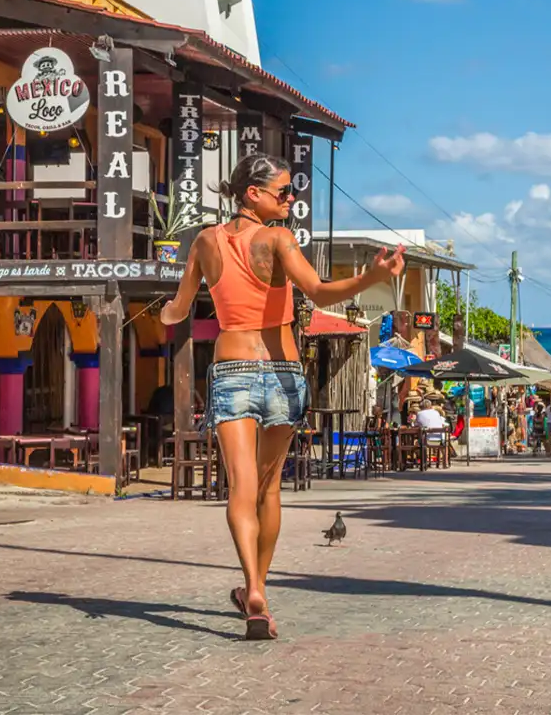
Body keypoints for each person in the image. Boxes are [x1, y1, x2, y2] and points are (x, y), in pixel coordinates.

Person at [161, 154, 405, 639]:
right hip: (282, 372)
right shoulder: (277, 239)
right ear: (253, 193)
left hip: (231, 369)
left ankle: (252, 586)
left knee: (240, 488)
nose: (292, 200)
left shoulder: (204, 242)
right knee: (269, 491)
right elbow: (318, 291)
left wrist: (165, 311)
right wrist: (373, 277)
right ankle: (258, 592)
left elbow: (178, 310)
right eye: (283, 192)